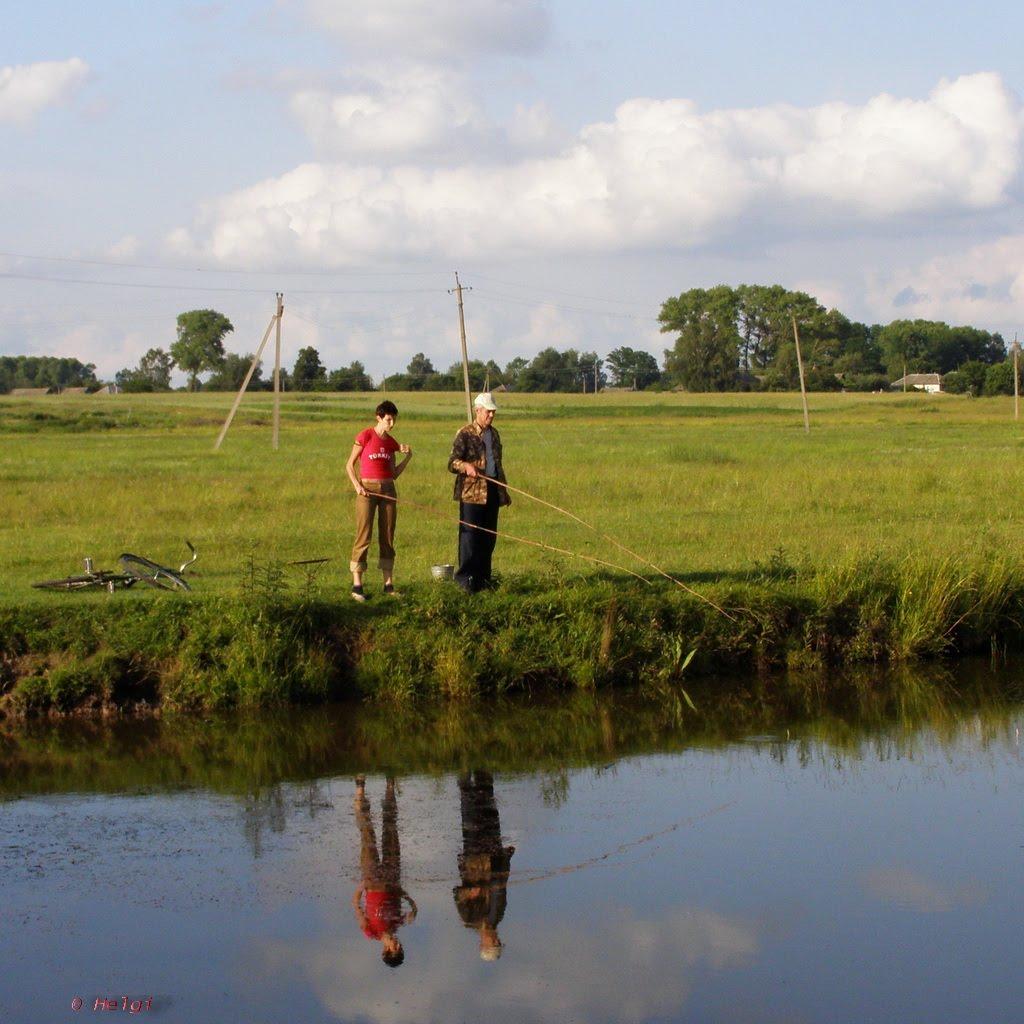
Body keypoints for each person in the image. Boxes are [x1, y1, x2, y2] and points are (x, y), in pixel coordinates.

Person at [346, 401, 411, 601]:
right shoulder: (365, 436)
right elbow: (349, 464)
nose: (391, 424)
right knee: (364, 534)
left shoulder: (391, 443)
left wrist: (407, 458)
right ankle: (357, 584)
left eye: (394, 420)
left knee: (388, 534)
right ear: (379, 418)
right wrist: (357, 486)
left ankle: (388, 583)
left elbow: (394, 473)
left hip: (388, 489)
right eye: (388, 419)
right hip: (367, 489)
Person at [446, 393, 510, 593]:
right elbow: (452, 463)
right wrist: (465, 466)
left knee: (488, 537)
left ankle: (484, 581)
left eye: (493, 411)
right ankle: (466, 582)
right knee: (470, 537)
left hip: (491, 489)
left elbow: (498, 464)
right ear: (478, 411)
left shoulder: (495, 434)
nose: (491, 415)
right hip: (472, 493)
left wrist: (503, 491)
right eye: (488, 411)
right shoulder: (465, 433)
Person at [352, 775, 418, 968]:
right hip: (391, 877)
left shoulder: (370, 932)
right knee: (391, 831)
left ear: (385, 949)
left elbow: (356, 905)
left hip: (371, 880)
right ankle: (390, 786)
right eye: (400, 947)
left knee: (367, 834)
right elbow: (412, 906)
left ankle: (360, 789)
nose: (397, 943)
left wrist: (363, 885)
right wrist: (411, 905)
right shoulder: (398, 923)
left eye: (394, 947)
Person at [453, 770, 515, 961]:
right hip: (494, 854)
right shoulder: (497, 917)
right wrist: (508, 858)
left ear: (483, 944)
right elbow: (501, 887)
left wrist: (470, 891)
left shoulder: (469, 919)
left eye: (494, 944)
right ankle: (484, 768)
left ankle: (462, 764)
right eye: (498, 943)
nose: (497, 940)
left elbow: (456, 893)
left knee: (469, 806)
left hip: (472, 859)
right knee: (489, 808)